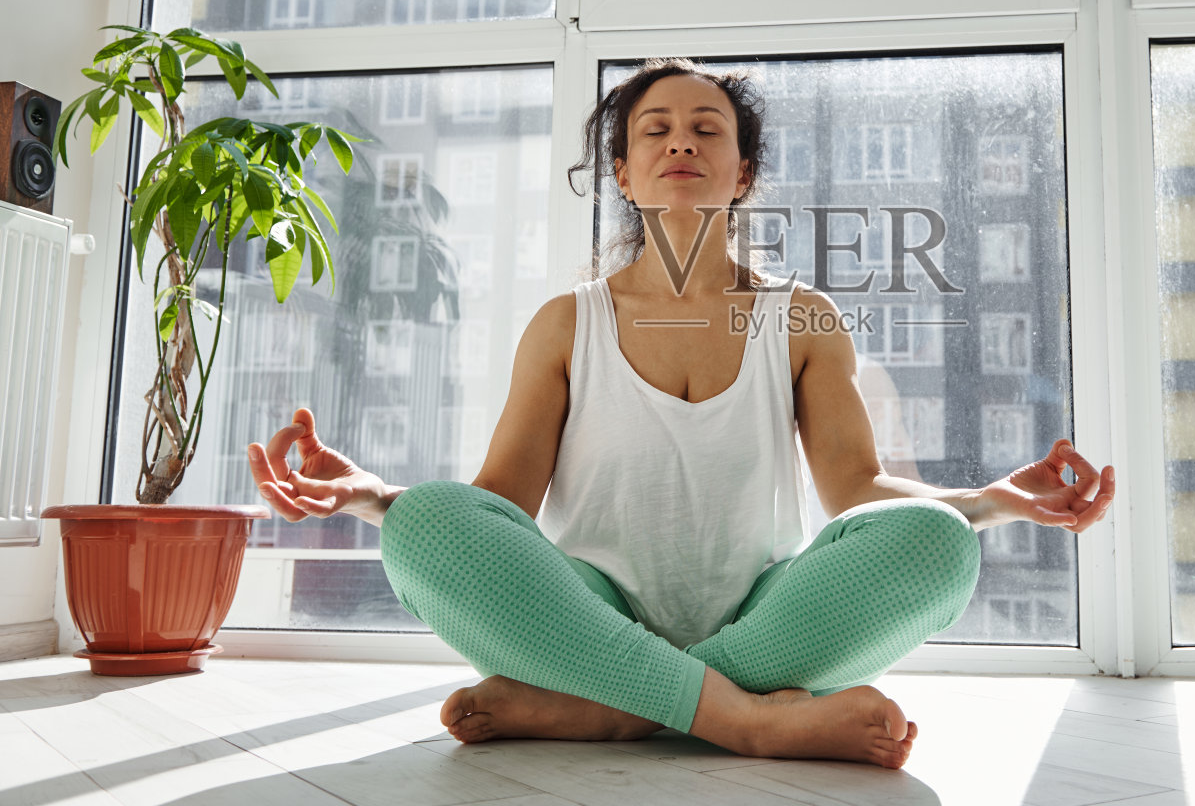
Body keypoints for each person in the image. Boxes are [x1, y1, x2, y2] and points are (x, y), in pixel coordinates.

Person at [247, 59, 1115, 770]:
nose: (681, 143)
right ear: (622, 172)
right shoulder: (567, 323)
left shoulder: (800, 317)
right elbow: (498, 509)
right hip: (581, 614)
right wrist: (368, 496)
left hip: (766, 619)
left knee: (938, 545)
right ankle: (750, 721)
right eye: (654, 130)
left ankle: (609, 709)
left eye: (708, 129)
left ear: (744, 172)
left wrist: (996, 501)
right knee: (431, 518)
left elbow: (856, 492)